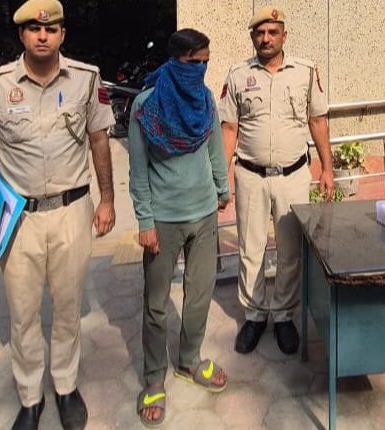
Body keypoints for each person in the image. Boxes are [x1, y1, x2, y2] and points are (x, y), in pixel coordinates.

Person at [0, 1, 115, 429]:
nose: (43, 35)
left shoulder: (86, 79)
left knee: (67, 309)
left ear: (63, 33)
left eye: (51, 28)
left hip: (72, 212)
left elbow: (99, 140)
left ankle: (65, 387)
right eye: (34, 29)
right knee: (23, 313)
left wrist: (107, 199)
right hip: (19, 220)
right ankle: (30, 396)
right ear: (22, 35)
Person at [128, 28, 229, 428]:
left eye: (205, 62)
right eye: (193, 62)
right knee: (156, 305)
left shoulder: (205, 100)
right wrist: (145, 221)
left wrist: (222, 188)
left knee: (199, 294)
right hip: (164, 221)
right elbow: (138, 170)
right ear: (174, 61)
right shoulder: (146, 105)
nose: (200, 70)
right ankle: (154, 378)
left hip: (204, 215)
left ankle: (189, 360)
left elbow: (215, 148)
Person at [219, 5, 334, 355]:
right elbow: (229, 128)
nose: (266, 38)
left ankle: (284, 315)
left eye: (272, 32)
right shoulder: (237, 74)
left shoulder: (306, 72)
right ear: (252, 37)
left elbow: (318, 121)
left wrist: (327, 169)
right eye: (259, 33)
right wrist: (223, 177)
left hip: (293, 176)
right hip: (250, 176)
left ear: (284, 35)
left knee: (290, 250)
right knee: (250, 249)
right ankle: (254, 315)